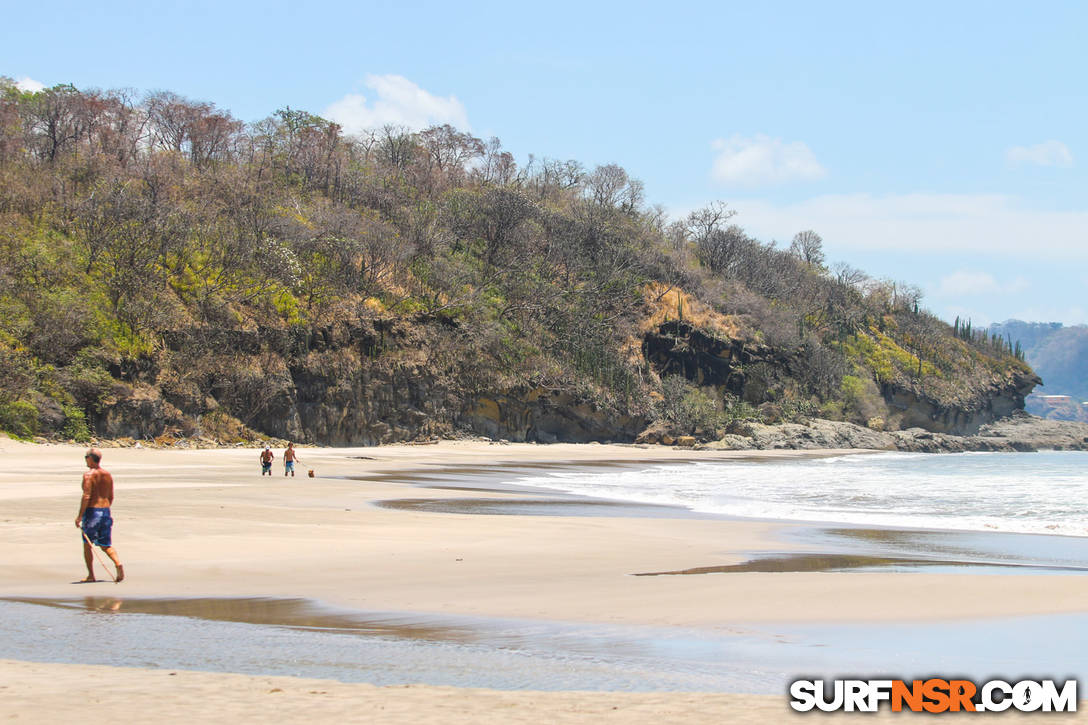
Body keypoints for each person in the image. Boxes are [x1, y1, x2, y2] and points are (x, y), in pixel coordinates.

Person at [75, 448, 124, 583]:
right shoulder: (107, 475)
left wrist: (80, 516)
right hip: (106, 511)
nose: (85, 459)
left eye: (86, 457)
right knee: (106, 544)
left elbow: (86, 496)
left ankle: (91, 575)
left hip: (92, 511)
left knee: (87, 544)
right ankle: (117, 563)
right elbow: (111, 496)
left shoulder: (89, 475)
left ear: (91, 458)